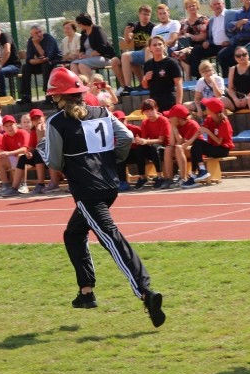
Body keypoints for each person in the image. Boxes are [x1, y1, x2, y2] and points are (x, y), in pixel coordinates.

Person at [36, 66, 165, 327]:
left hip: (87, 191)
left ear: (57, 96)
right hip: (110, 185)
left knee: (111, 239)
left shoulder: (56, 122)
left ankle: (145, 291)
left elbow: (55, 162)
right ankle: (86, 292)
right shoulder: (102, 112)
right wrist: (113, 159)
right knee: (73, 234)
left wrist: (43, 148)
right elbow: (127, 136)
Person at [181, 98, 234, 189]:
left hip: (222, 149)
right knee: (195, 146)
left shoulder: (224, 123)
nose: (205, 107)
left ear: (212, 110)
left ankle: (201, 170)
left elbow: (219, 142)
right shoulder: (209, 119)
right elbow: (200, 130)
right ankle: (194, 175)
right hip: (214, 146)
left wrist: (208, 132)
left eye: (207, 107)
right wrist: (190, 140)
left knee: (197, 145)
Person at [221, 46, 250, 131]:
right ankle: (226, 129)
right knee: (219, 101)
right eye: (238, 56)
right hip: (239, 98)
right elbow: (231, 88)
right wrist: (235, 99)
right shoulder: (233, 69)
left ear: (248, 55)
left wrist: (246, 98)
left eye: (244, 54)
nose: (241, 57)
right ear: (235, 58)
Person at [112, 5, 154, 93]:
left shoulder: (152, 27)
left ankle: (133, 85)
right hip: (137, 53)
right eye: (144, 14)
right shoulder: (135, 26)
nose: (146, 16)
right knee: (118, 60)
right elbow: (127, 41)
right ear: (139, 14)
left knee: (126, 56)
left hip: (148, 53)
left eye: (148, 14)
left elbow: (151, 44)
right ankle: (126, 86)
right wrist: (126, 33)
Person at [189, 0, 234, 78]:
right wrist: (207, 42)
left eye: (219, 4)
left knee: (222, 55)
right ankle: (199, 77)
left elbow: (238, 31)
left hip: (227, 45)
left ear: (223, 4)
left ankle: (225, 80)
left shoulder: (232, 14)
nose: (217, 6)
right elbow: (211, 36)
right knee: (196, 50)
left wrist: (229, 42)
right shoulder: (212, 20)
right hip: (214, 46)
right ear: (211, 7)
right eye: (215, 4)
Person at [19, 25, 61, 105]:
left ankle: (48, 95)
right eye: (36, 33)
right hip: (41, 64)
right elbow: (29, 60)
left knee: (46, 65)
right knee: (25, 67)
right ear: (32, 35)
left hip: (54, 63)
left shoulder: (49, 39)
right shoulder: (30, 41)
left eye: (40, 32)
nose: (39, 34)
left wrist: (36, 44)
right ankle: (26, 96)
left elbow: (46, 57)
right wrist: (39, 60)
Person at [163, 103, 201, 189]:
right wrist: (172, 127)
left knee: (178, 148)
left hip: (195, 151)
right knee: (168, 149)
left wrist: (174, 128)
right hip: (182, 149)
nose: (169, 119)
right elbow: (172, 143)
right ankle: (169, 178)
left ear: (177, 118)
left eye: (171, 117)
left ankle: (183, 178)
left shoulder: (192, 124)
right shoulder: (177, 125)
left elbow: (181, 143)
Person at [136, 98, 171, 189]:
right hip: (152, 146)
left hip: (166, 149)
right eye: (146, 111)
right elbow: (144, 138)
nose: (149, 113)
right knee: (140, 148)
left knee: (155, 148)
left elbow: (161, 140)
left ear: (156, 109)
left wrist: (146, 141)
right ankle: (142, 177)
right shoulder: (145, 122)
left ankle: (159, 176)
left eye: (151, 110)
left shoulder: (163, 120)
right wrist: (140, 141)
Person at [142, 36, 183, 112]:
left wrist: (178, 105)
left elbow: (179, 84)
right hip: (154, 106)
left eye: (160, 44)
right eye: (154, 45)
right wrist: (145, 79)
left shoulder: (171, 63)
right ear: (150, 48)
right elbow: (145, 86)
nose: (157, 47)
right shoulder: (148, 64)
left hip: (170, 103)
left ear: (164, 46)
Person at [174, 0, 209, 79]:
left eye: (193, 5)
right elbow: (179, 36)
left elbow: (203, 36)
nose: (192, 7)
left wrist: (191, 36)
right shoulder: (184, 22)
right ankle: (188, 77)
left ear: (197, 6)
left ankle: (189, 77)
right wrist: (183, 36)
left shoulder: (203, 19)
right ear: (186, 8)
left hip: (200, 45)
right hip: (187, 44)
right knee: (182, 45)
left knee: (185, 52)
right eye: (189, 6)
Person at [0, 115, 30, 196]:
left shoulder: (22, 132)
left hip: (28, 159)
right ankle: (6, 185)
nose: (9, 128)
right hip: (14, 160)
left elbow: (24, 149)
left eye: (11, 125)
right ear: (3, 128)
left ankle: (23, 184)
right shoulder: (5, 136)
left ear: (16, 124)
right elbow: (3, 150)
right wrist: (1, 153)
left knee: (20, 156)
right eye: (7, 126)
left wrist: (9, 153)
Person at [21, 108, 50, 193]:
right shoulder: (33, 132)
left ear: (43, 118)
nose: (37, 120)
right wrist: (29, 153)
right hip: (41, 157)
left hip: (51, 155)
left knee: (38, 153)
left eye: (39, 117)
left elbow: (48, 146)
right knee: (23, 158)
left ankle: (41, 183)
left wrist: (41, 134)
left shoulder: (49, 127)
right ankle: (16, 186)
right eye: (34, 119)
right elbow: (31, 147)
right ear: (32, 122)